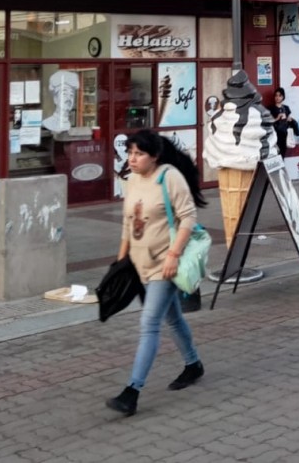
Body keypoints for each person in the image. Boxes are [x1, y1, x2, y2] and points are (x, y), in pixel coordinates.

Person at [107, 130, 207, 417]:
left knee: (150, 323)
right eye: (130, 153)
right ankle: (193, 364)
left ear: (155, 156)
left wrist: (174, 255)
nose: (132, 158)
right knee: (172, 317)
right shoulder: (133, 179)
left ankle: (132, 392)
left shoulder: (169, 177)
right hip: (140, 265)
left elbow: (188, 217)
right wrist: (121, 260)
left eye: (139, 153)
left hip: (165, 264)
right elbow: (128, 222)